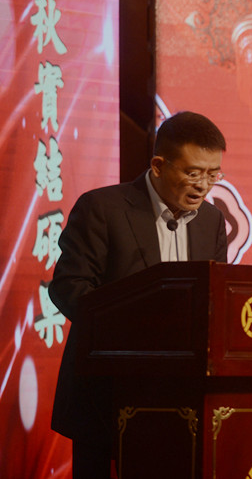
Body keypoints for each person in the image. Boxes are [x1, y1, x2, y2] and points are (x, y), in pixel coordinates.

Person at [49, 111, 228, 478]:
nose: (203, 186)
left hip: (184, 400)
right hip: (106, 394)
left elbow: (215, 299)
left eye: (213, 175)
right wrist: (138, 330)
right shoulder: (103, 208)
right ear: (158, 166)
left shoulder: (212, 222)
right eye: (193, 173)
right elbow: (70, 287)